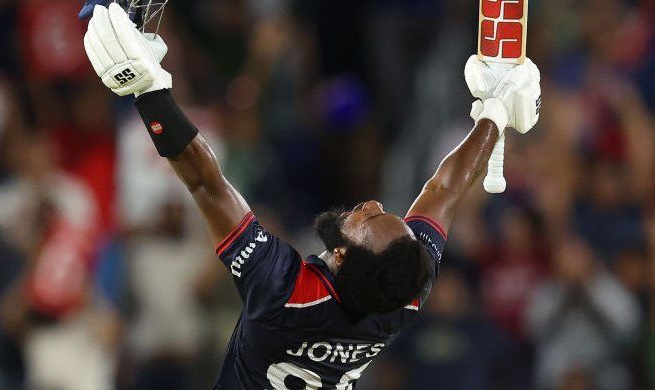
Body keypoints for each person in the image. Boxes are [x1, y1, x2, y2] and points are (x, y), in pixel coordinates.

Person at [81, 3, 540, 388]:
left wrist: (145, 91)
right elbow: (444, 187)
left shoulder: (288, 294)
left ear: (339, 257)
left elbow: (205, 181)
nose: (373, 205)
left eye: (367, 219)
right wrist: (493, 114)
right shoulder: (402, 280)